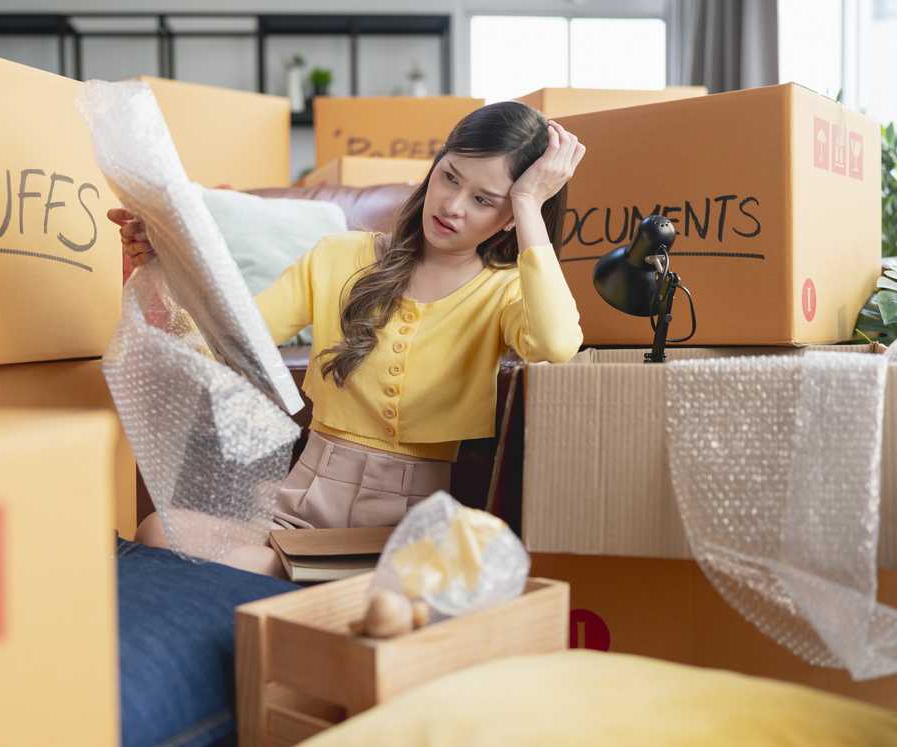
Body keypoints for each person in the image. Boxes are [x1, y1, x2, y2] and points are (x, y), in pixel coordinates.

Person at [109, 101, 586, 577]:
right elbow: (229, 344)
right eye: (451, 177)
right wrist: (164, 261)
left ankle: (305, 583)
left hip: (402, 531)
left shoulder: (503, 290)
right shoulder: (338, 256)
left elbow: (556, 344)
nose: (452, 206)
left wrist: (528, 204)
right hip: (298, 507)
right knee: (156, 531)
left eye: (484, 200)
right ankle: (305, 583)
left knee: (398, 581)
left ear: (508, 219)